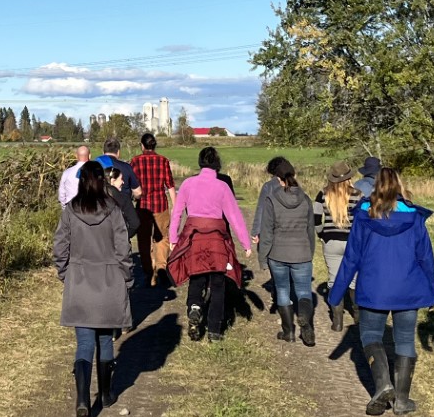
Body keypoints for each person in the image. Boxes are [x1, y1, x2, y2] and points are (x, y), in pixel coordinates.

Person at [324, 165, 434, 417]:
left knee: (371, 336)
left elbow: (351, 259)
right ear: (399, 185)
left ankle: (383, 384)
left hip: (374, 289)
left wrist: (335, 295)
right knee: (405, 339)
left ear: (376, 186)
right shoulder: (414, 217)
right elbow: (426, 259)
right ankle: (402, 400)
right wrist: (433, 292)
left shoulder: (364, 216)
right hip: (409, 290)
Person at [53, 161, 134, 417]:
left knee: (84, 343)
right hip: (110, 282)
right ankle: (107, 394)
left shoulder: (70, 211)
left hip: (80, 283)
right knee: (105, 341)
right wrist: (127, 279)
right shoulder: (113, 211)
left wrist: (66, 274)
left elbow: (60, 248)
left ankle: (83, 401)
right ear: (102, 180)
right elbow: (124, 250)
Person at [166, 145, 253, 342]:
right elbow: (234, 217)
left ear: (200, 162)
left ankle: (195, 308)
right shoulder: (222, 186)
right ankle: (214, 330)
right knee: (218, 284)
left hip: (194, 238)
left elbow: (177, 212)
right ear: (217, 164)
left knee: (196, 278)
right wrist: (245, 243)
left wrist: (173, 238)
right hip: (216, 241)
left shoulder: (188, 184)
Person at [254, 156, 318, 345]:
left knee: (282, 291)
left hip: (278, 253)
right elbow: (310, 229)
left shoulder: (271, 199)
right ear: (294, 175)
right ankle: (306, 324)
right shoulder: (306, 199)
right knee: (304, 291)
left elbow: (266, 231)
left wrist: (263, 258)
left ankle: (288, 332)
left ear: (279, 179)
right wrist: (310, 252)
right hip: (302, 253)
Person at [313, 162, 361, 333]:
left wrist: (322, 235)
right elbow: (363, 221)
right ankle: (357, 317)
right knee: (354, 281)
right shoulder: (358, 195)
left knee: (333, 281)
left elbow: (316, 219)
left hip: (331, 241)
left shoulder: (323, 194)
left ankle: (337, 321)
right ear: (349, 177)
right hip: (352, 243)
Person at [129, 131, 177, 288]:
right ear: (154, 145)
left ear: (142, 145)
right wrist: (175, 205)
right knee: (162, 237)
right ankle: (162, 267)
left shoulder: (135, 162)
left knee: (144, 240)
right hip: (160, 205)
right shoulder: (163, 161)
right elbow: (170, 185)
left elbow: (131, 186)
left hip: (143, 207)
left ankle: (150, 272)